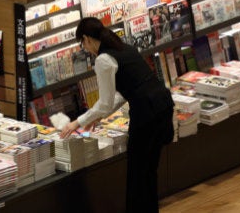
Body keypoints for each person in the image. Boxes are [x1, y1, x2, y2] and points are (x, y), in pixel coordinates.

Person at [60, 17, 174, 213]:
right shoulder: (124, 48)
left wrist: (76, 123)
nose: (85, 49)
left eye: (83, 44)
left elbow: (105, 102)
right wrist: (97, 116)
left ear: (87, 39)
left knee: (137, 173)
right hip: (162, 107)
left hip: (146, 114)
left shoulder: (103, 60)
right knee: (148, 171)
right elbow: (123, 93)